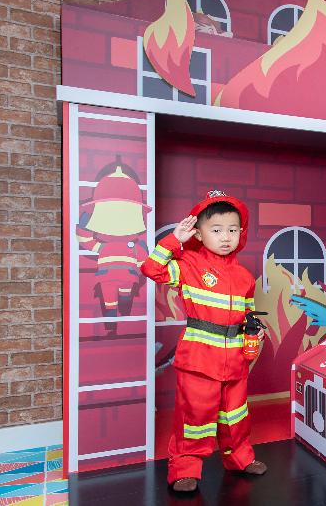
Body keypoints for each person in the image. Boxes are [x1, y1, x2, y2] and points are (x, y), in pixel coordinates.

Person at [140, 190, 267, 492]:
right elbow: (151, 269)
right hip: (199, 359)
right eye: (217, 230)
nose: (226, 237)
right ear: (199, 233)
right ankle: (185, 468)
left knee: (236, 414)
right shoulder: (188, 264)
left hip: (235, 359)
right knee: (194, 416)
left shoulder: (244, 276)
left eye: (233, 230)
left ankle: (239, 458)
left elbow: (248, 313)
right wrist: (175, 240)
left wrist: (254, 329)